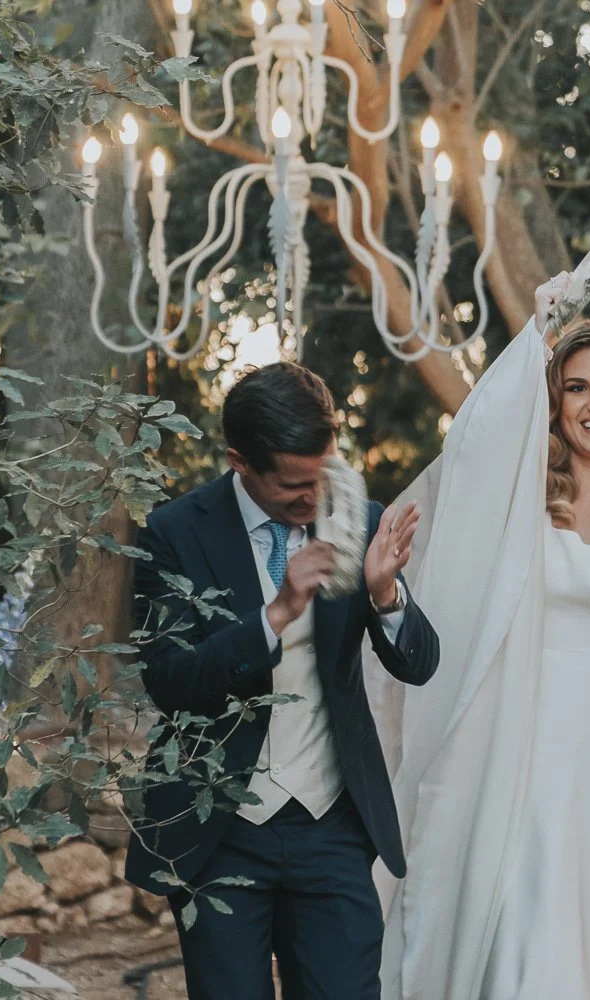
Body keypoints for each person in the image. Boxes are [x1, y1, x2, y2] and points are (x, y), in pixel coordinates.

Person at [369, 245, 590, 1000]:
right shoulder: (521, 504)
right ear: (554, 404)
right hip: (522, 743)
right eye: (578, 388)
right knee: (526, 914)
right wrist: (537, 336)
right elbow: (470, 449)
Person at [126, 361, 442, 1000]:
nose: (314, 498)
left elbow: (419, 663)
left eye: (323, 475)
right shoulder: (174, 533)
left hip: (332, 825)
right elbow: (169, 681)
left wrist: (385, 595)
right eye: (296, 486)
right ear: (240, 462)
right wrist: (277, 613)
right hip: (220, 829)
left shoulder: (355, 517)